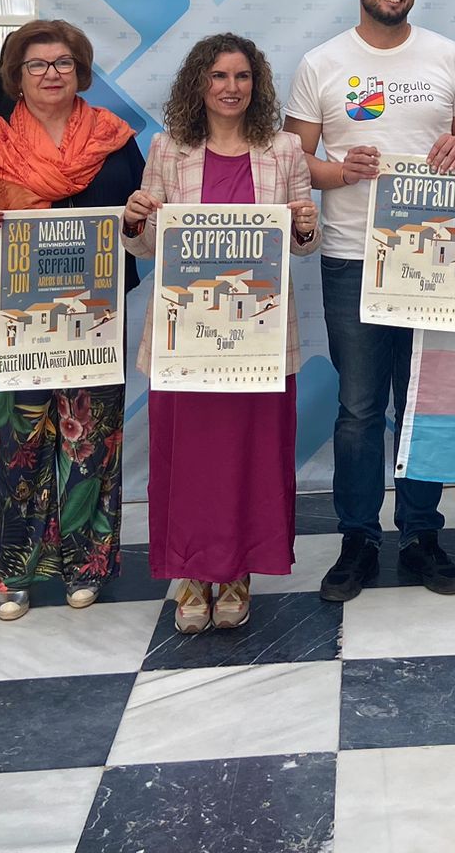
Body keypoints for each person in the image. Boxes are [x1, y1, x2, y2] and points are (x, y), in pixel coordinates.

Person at [286, 0, 455, 603]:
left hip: (434, 258)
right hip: (352, 259)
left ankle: (423, 533)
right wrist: (338, 172)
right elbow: (293, 159)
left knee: (423, 404)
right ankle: (358, 539)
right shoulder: (322, 63)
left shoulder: (446, 55)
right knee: (360, 409)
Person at [0, 19, 145, 621]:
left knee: (92, 438)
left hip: (95, 311)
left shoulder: (113, 137)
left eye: (63, 63)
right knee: (18, 441)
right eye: (38, 65)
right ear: (17, 77)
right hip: (17, 310)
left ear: (80, 70)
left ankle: (87, 564)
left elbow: (140, 216)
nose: (52, 73)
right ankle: (15, 572)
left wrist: (135, 219)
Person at [124, 34, 320, 632]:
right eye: (218, 76)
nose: (231, 87)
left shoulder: (285, 149)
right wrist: (135, 221)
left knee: (251, 458)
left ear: (255, 85)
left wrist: (307, 226)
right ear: (198, 85)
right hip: (188, 339)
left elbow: (300, 244)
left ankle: (236, 573)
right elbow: (151, 244)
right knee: (188, 460)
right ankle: (189, 575)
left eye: (241, 76)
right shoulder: (167, 149)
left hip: (254, 339)